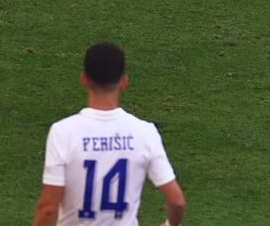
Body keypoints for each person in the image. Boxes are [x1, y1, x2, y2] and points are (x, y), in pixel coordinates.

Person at [32, 43, 186, 226]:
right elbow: (177, 202)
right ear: (123, 82)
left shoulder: (63, 132)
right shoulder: (144, 132)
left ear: (84, 79)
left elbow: (48, 208)